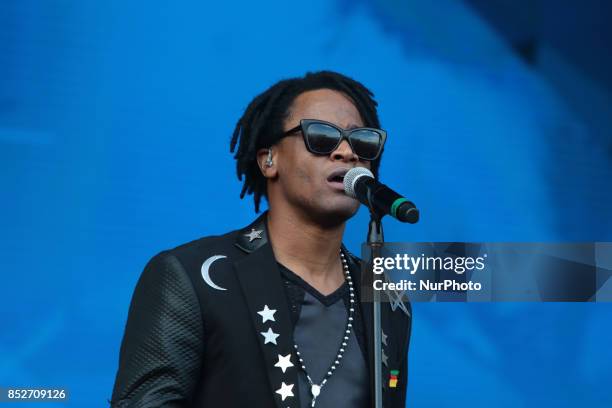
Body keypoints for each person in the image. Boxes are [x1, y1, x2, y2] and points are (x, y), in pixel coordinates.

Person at [110, 71, 412, 408]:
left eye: (363, 141)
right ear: (269, 160)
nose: (346, 152)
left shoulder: (389, 300)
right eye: (321, 136)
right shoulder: (191, 277)